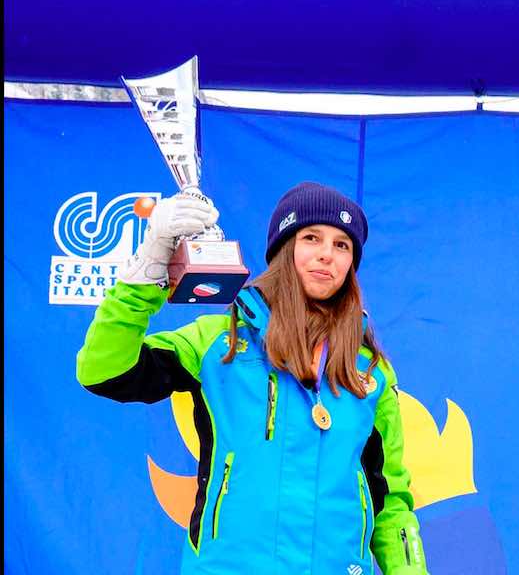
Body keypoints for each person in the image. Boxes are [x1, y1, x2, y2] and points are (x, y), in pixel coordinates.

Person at [76, 182, 429, 574]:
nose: (327, 255)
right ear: (283, 250)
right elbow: (103, 371)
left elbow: (391, 502)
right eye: (312, 238)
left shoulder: (368, 372)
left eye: (342, 245)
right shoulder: (218, 341)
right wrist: (150, 270)